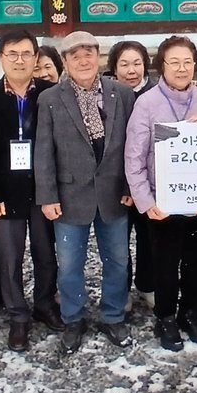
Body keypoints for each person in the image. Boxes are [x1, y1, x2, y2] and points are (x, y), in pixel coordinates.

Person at [35, 31, 136, 354]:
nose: (83, 61)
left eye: (88, 53)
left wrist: (130, 186)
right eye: (75, 55)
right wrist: (47, 196)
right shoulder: (50, 98)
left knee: (118, 260)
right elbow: (43, 151)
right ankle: (73, 318)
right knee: (69, 264)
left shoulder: (122, 94)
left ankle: (112, 315)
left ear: (99, 56)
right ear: (65, 62)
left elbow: (134, 145)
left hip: (113, 192)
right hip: (69, 195)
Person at [124, 36, 197, 351]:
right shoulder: (147, 102)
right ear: (161, 66)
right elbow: (134, 158)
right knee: (165, 264)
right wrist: (146, 201)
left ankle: (189, 313)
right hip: (163, 200)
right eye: (174, 62)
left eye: (187, 62)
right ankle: (165, 317)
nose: (181, 68)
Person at [0, 30, 64, 352]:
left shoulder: (51, 94)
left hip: (43, 191)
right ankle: (17, 315)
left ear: (36, 57)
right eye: (12, 54)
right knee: (10, 259)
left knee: (45, 254)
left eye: (26, 53)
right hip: (5, 193)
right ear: (0, 58)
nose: (20, 60)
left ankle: (44, 303)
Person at [107, 39, 155, 310]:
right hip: (116, 183)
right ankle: (120, 289)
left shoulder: (157, 94)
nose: (131, 70)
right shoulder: (106, 95)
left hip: (149, 181)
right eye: (124, 64)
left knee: (149, 237)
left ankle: (147, 285)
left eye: (137, 63)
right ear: (114, 68)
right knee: (117, 242)